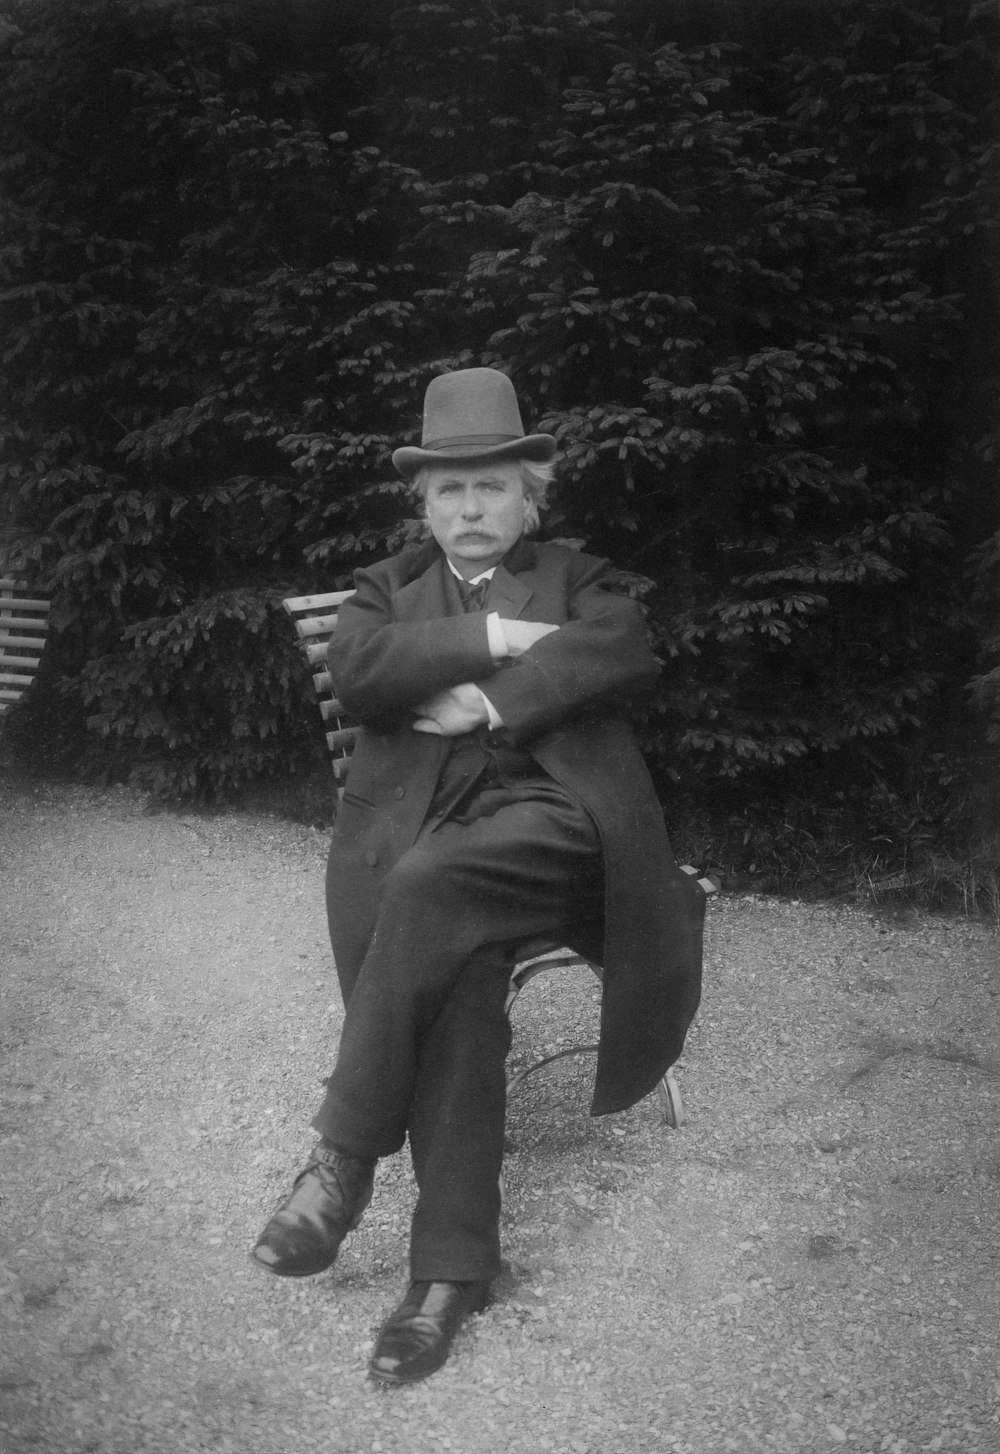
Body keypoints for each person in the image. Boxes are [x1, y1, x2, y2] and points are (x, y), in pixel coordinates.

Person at [252, 367, 704, 1385]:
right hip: (427, 843)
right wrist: (498, 637)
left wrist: (490, 705)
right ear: (424, 503)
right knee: (453, 966)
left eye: (490, 487)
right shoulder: (386, 588)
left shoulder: (578, 578)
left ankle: (341, 1156)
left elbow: (623, 642)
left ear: (527, 496)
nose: (469, 508)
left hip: (554, 831)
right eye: (449, 490)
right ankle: (451, 1276)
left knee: (427, 886)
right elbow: (361, 669)